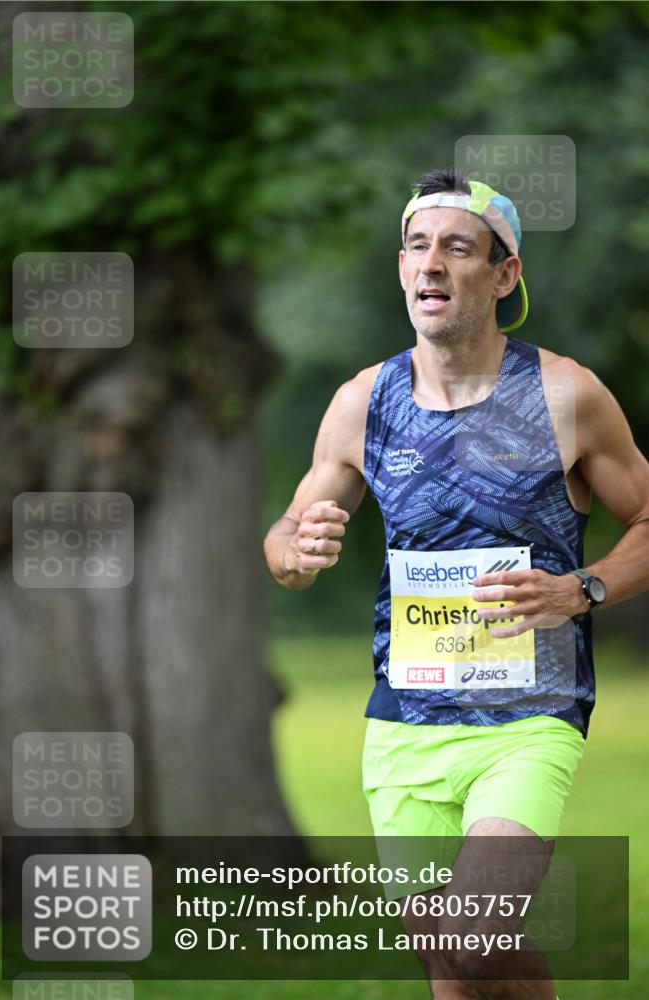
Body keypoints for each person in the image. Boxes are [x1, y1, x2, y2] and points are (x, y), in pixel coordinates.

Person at [263, 168, 649, 999]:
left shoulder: (564, 392)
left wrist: (580, 588)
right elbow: (287, 539)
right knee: (447, 963)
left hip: (527, 719)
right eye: (415, 246)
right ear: (401, 270)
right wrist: (294, 551)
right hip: (403, 721)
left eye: (456, 247)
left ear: (504, 274)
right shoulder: (363, 401)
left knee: (475, 939)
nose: (429, 264)